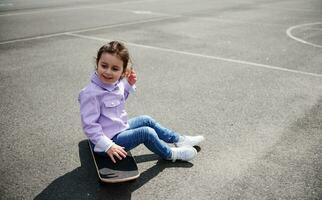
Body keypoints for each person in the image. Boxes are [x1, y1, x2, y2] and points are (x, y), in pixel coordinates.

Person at [78, 41, 204, 163]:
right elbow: (89, 126)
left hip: (120, 129)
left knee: (146, 119)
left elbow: (117, 101)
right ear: (97, 63)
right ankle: (171, 154)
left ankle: (179, 140)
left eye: (115, 68)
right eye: (104, 66)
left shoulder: (116, 83)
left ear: (123, 71)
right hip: (107, 144)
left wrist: (129, 85)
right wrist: (108, 146)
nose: (108, 72)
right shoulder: (90, 94)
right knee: (146, 133)